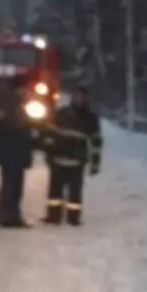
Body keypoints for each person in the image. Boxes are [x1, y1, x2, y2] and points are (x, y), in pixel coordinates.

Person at [42, 87, 102, 226]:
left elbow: (96, 142)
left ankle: (73, 218)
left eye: (81, 97)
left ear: (86, 99)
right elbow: (50, 135)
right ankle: (53, 216)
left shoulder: (91, 118)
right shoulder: (61, 114)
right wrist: (49, 155)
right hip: (58, 158)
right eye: (76, 96)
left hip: (77, 160)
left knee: (75, 192)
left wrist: (95, 163)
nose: (79, 99)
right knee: (54, 191)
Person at [0, 77, 34, 228]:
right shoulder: (15, 107)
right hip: (14, 153)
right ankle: (9, 215)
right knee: (12, 185)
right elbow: (17, 129)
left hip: (11, 153)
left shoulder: (7, 104)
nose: (27, 92)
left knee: (10, 184)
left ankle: (9, 214)